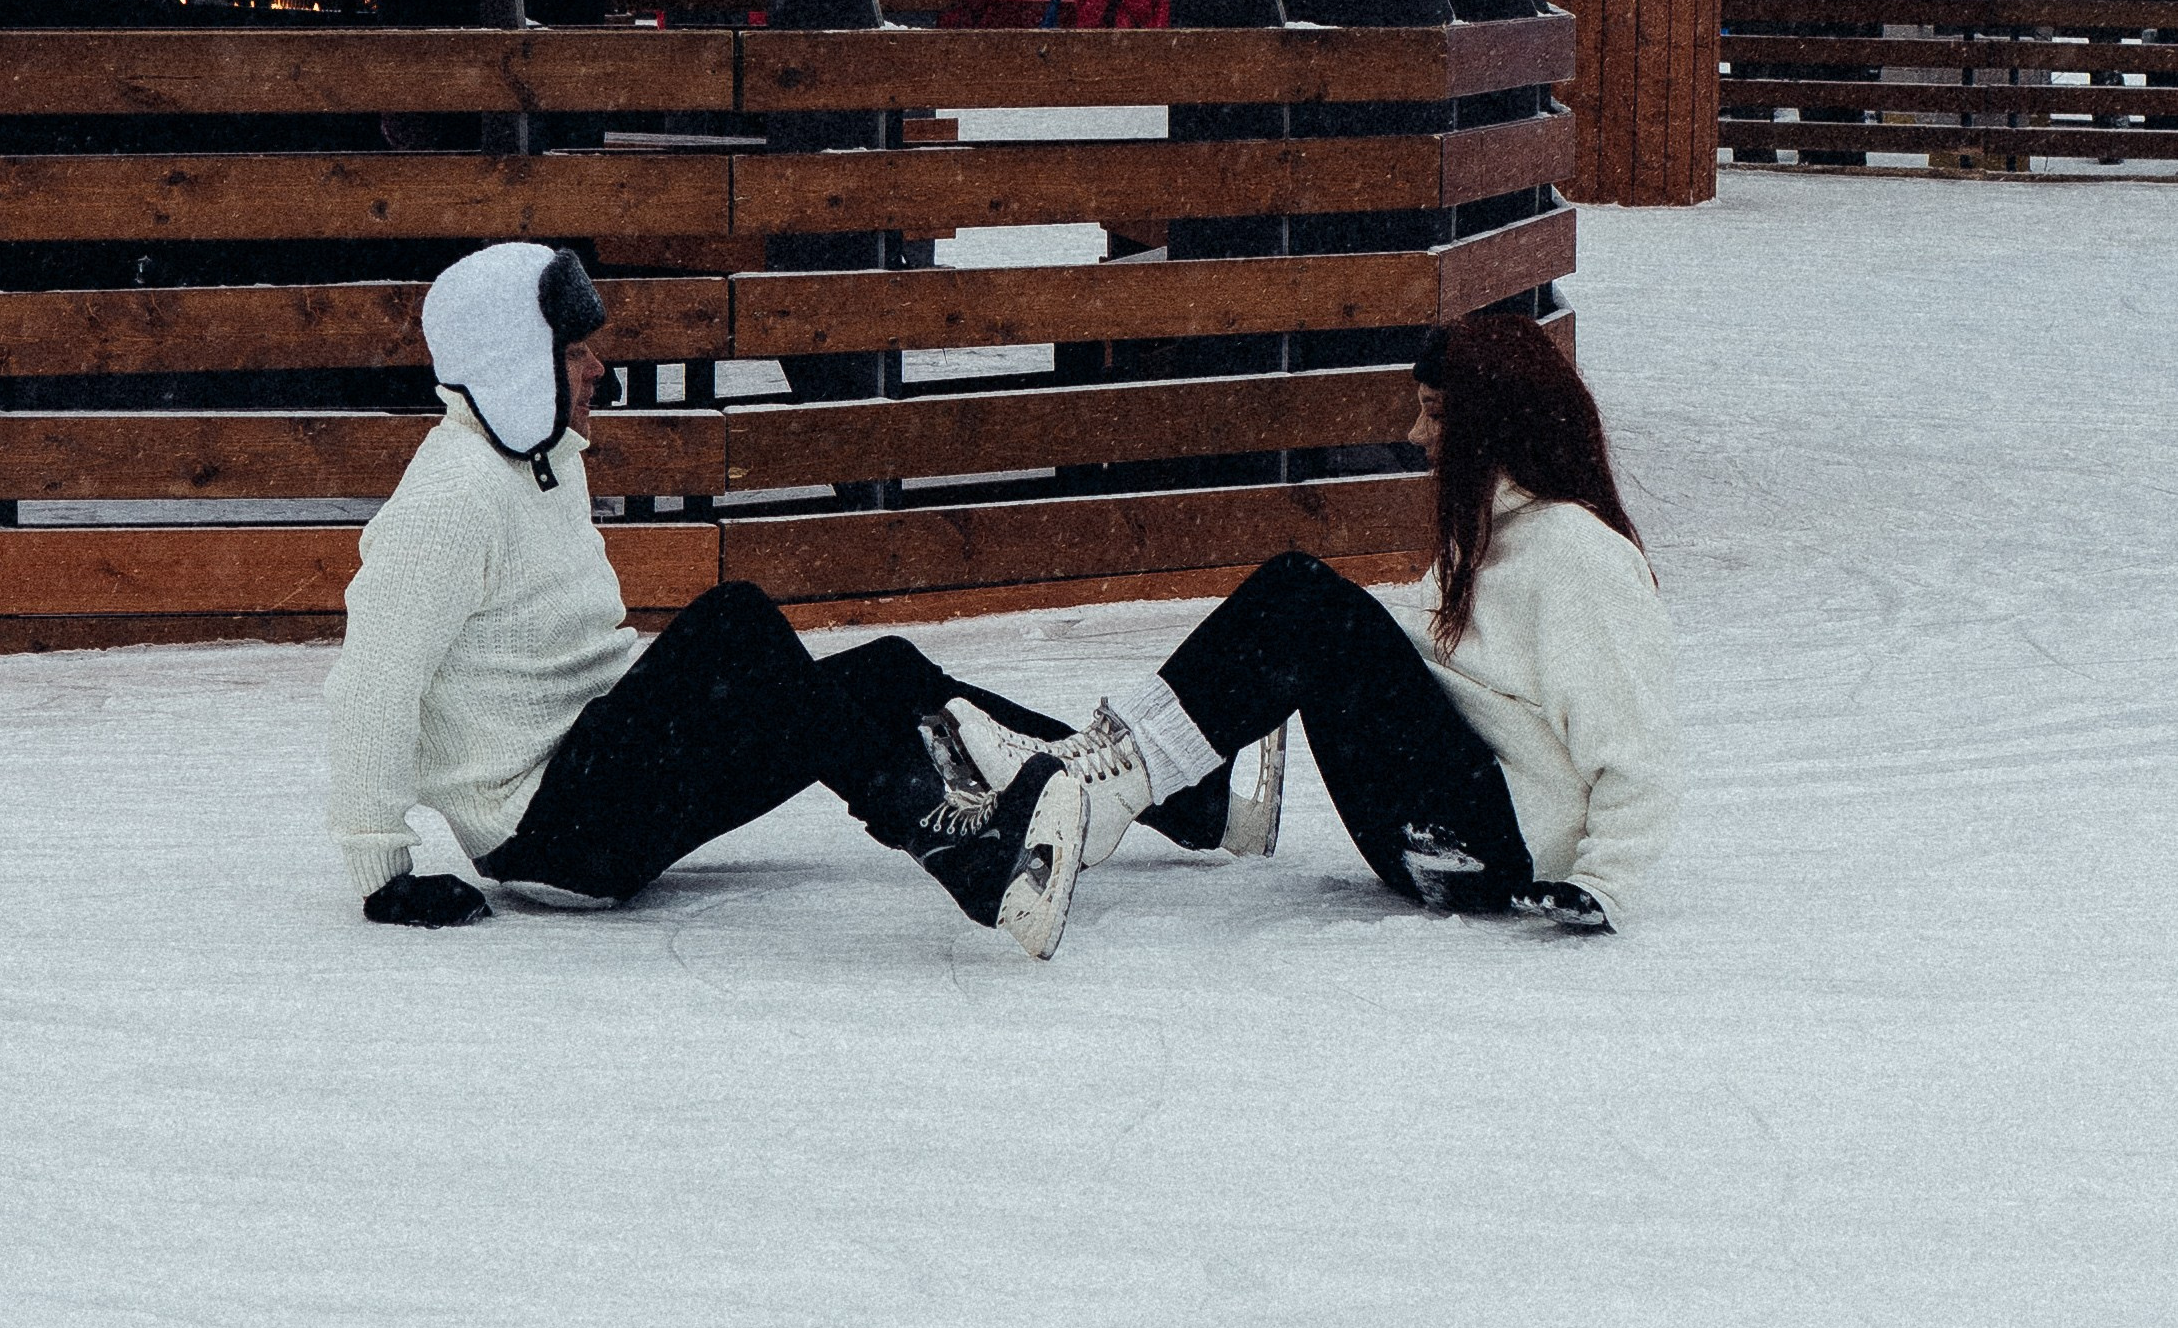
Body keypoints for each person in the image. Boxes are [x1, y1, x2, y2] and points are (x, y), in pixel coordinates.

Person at [326, 241, 1280, 962]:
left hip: (603, 773)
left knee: (883, 675)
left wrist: (696, 713)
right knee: (736, 620)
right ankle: (979, 853)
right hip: (550, 831)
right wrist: (383, 871)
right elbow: (374, 674)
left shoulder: (538, 467)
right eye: (575, 350)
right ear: (507, 361)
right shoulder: (450, 497)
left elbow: (574, 660)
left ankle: (1177, 804)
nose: (598, 372)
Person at [941, 309, 1677, 932]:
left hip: (1492, 851)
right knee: (1305, 614)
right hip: (1430, 839)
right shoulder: (1485, 535)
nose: (1417, 435)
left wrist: (1603, 883)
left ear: (1495, 424)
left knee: (1305, 597)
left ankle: (1107, 788)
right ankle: (1103, 774)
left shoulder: (1579, 552)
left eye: (1438, 413)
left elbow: (1635, 743)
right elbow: (1416, 667)